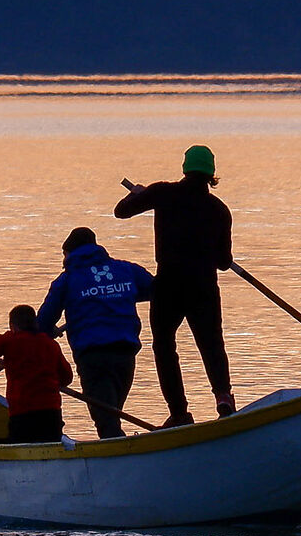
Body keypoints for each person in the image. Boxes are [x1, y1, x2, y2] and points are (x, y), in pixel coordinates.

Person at [113, 143, 236, 425]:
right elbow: (224, 262)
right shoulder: (219, 210)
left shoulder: (163, 193)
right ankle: (223, 396)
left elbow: (120, 212)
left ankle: (179, 412)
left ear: (185, 168)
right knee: (211, 344)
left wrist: (139, 195)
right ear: (211, 174)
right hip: (204, 286)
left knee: (164, 346)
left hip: (168, 283)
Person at [38, 226, 153, 438]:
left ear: (69, 253)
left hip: (93, 356)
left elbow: (42, 323)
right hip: (125, 352)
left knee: (106, 420)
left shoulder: (67, 280)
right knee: (112, 412)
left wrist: (48, 330)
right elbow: (155, 289)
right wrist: (117, 296)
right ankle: (122, 452)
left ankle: (119, 462)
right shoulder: (126, 270)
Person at [0, 305, 73, 443]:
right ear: (35, 323)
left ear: (12, 326)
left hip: (22, 413)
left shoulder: (10, 340)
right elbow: (67, 377)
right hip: (51, 412)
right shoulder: (50, 344)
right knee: (51, 446)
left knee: (22, 447)